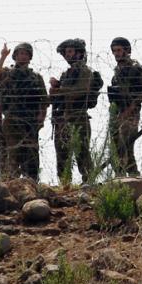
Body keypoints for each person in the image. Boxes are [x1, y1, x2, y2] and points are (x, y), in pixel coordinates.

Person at [0, 42, 48, 181]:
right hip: (11, 120)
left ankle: (31, 183)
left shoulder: (36, 78)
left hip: (30, 121)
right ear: (15, 56)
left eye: (26, 54)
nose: (22, 56)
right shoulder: (7, 74)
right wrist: (3, 56)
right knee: (12, 153)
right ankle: (11, 182)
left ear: (30, 57)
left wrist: (41, 119)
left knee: (31, 154)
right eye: (20, 54)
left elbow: (44, 102)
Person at [49, 38, 103, 183]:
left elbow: (80, 90)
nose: (67, 55)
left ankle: (89, 181)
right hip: (62, 119)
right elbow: (56, 99)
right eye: (66, 52)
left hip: (78, 117)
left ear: (79, 53)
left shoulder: (85, 71)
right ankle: (65, 184)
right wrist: (55, 89)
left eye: (71, 51)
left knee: (82, 152)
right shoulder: (66, 74)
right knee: (62, 154)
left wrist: (59, 90)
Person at [106, 37, 142, 176]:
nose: (116, 53)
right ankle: (121, 174)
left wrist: (132, 105)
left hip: (130, 113)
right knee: (116, 145)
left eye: (119, 50)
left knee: (126, 144)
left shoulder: (135, 68)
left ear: (127, 51)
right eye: (114, 51)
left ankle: (132, 174)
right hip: (117, 111)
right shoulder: (118, 70)